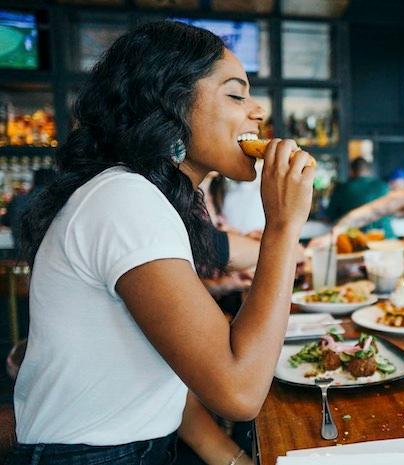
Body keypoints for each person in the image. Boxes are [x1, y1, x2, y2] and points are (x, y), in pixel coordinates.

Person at [9, 20, 313, 464]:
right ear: (170, 105)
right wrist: (283, 228)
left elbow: (170, 372)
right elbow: (240, 391)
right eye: (235, 94)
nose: (257, 111)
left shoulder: (143, 198)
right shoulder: (124, 199)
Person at [326, 157, 393, 237]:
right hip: (386, 238)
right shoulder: (383, 186)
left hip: (355, 240)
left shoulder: (342, 189)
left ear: (351, 171)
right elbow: (391, 214)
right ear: (369, 170)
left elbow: (330, 215)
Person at [2, 168, 55, 247]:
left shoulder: (17, 200)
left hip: (20, 253)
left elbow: (5, 221)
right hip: (49, 254)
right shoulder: (56, 202)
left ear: (34, 181)